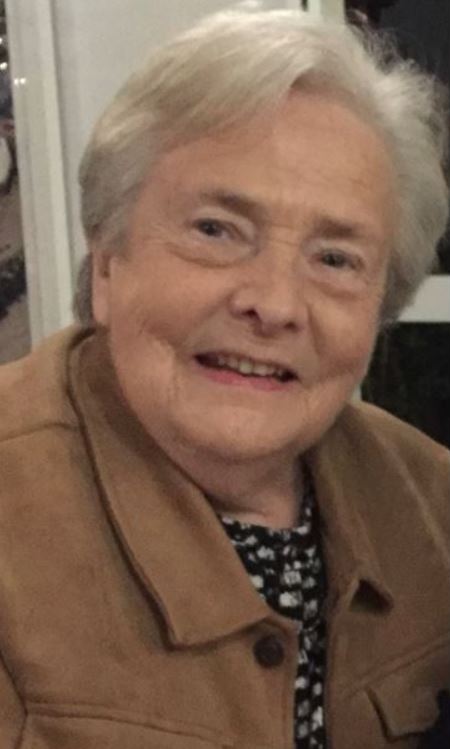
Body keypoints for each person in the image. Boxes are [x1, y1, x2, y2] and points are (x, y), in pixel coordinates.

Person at [0, 7, 448, 748]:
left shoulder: (432, 504)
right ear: (107, 263)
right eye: (216, 230)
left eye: (335, 259)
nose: (274, 304)